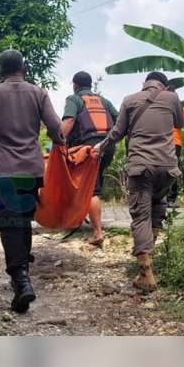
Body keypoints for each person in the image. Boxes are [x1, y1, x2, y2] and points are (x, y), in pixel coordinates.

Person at [0, 50, 65, 313]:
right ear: (24, 69)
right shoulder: (38, 93)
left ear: (0, 70)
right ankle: (22, 273)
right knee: (23, 221)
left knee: (10, 224)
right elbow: (55, 126)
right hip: (32, 169)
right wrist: (60, 142)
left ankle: (21, 281)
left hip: (6, 169)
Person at [93, 71, 184, 292]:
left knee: (141, 216)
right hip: (167, 167)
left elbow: (117, 132)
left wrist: (100, 146)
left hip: (141, 167)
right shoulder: (172, 98)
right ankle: (149, 254)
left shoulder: (129, 100)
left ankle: (146, 273)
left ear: (144, 84)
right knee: (158, 204)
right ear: (164, 85)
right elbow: (179, 123)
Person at [60, 71, 119, 247]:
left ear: (75, 85)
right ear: (90, 84)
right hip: (108, 146)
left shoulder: (74, 99)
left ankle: (97, 233)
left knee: (91, 188)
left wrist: (58, 141)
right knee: (94, 184)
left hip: (88, 148)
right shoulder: (104, 101)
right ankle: (82, 220)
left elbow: (69, 121)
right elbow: (120, 120)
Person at [167, 96, 184, 208]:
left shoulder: (158, 104)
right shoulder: (179, 107)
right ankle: (171, 199)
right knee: (173, 169)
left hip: (159, 141)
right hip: (175, 142)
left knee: (159, 168)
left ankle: (160, 198)